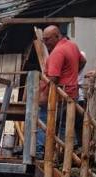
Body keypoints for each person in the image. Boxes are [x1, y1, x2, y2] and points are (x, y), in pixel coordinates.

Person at [37, 25, 86, 157]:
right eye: (44, 40)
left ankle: (40, 151)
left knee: (43, 120)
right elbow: (83, 61)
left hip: (58, 96)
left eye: (47, 40)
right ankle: (66, 152)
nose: (45, 43)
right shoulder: (72, 46)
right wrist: (71, 75)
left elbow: (52, 78)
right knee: (64, 125)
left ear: (57, 36)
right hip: (71, 94)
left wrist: (43, 97)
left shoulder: (57, 52)